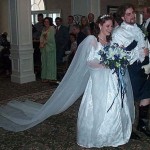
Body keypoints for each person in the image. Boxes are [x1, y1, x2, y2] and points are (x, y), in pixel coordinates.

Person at [0, 14, 134, 148]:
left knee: (114, 105)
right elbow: (89, 62)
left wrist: (117, 61)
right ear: (100, 25)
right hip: (97, 81)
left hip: (111, 80)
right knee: (98, 107)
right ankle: (97, 135)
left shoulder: (111, 42)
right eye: (107, 26)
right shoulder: (92, 40)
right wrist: (105, 63)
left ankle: (113, 134)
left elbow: (117, 58)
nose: (110, 29)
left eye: (111, 26)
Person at [112, 3, 150, 138]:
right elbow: (122, 54)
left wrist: (146, 52)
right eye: (128, 14)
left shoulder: (137, 28)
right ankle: (128, 128)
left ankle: (142, 124)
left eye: (133, 12)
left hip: (144, 66)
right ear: (122, 17)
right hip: (130, 69)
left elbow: (143, 43)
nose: (132, 15)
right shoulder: (118, 33)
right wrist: (141, 53)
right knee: (130, 99)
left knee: (147, 94)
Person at [40, 17, 57, 83]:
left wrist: (44, 42)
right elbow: (41, 37)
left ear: (50, 22)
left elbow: (50, 38)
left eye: (47, 21)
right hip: (44, 48)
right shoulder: (43, 29)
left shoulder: (52, 28)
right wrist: (41, 43)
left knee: (50, 63)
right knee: (44, 63)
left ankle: (51, 77)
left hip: (50, 48)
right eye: (45, 21)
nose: (46, 23)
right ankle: (45, 76)